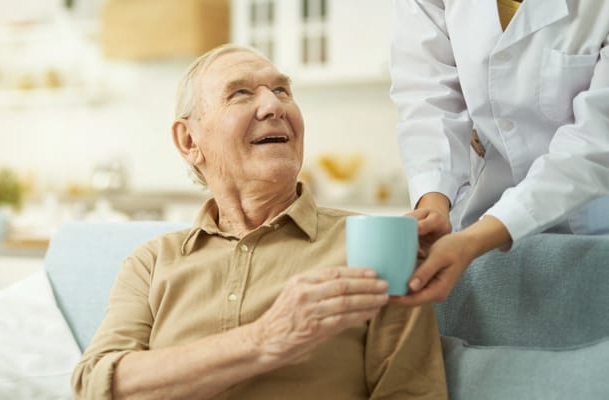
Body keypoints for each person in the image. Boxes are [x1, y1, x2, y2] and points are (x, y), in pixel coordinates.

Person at [72, 44, 447, 399]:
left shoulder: (375, 245)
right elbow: (96, 385)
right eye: (240, 94)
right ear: (189, 140)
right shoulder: (152, 263)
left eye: (283, 90)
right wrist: (263, 340)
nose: (273, 105)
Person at [389, 0, 609, 306]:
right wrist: (433, 203)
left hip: (595, 229)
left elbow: (595, 143)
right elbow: (428, 98)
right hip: (478, 227)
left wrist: (474, 240)